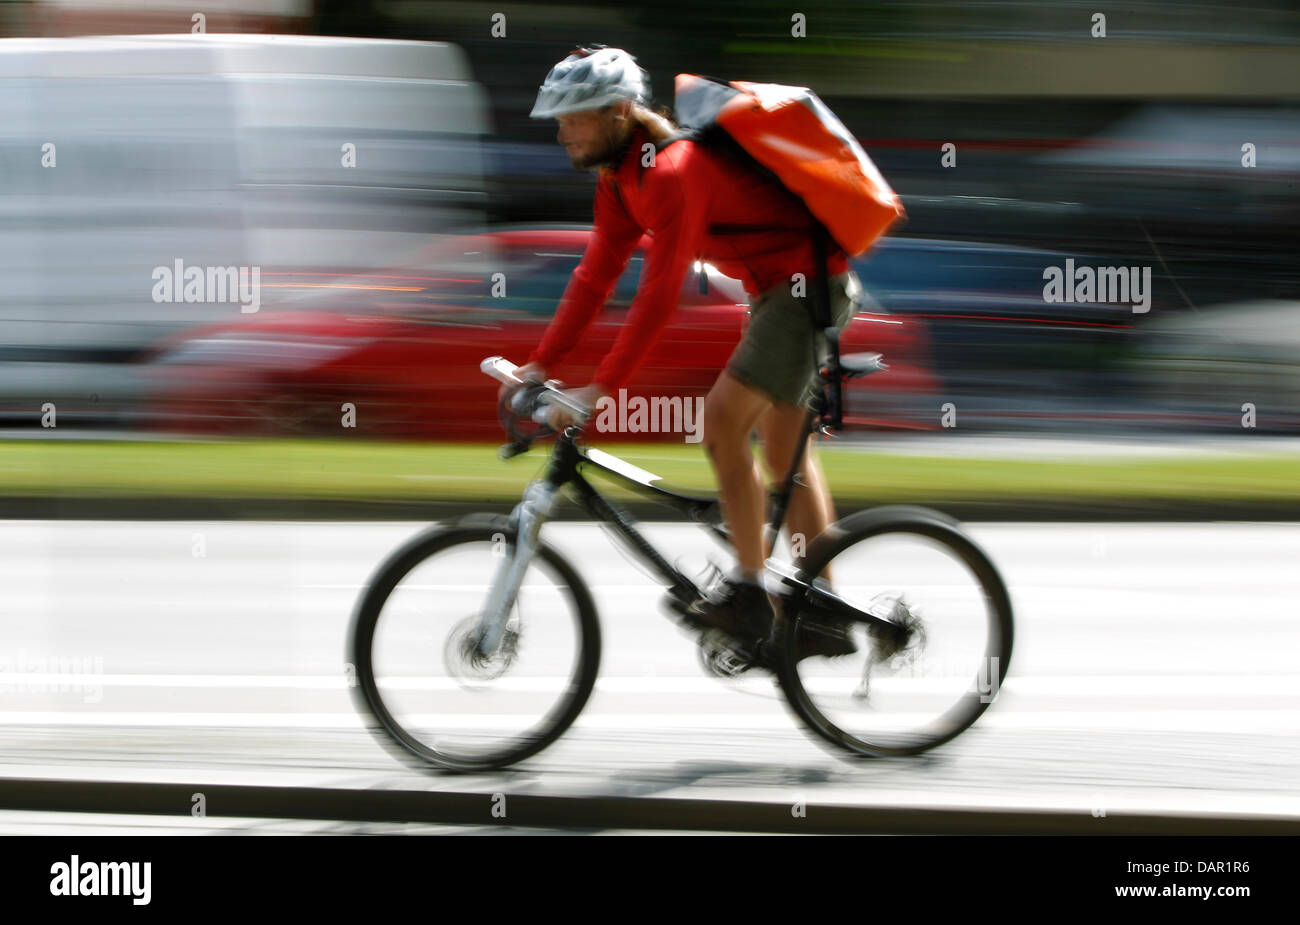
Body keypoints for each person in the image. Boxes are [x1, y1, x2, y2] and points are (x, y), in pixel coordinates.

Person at [507, 45, 859, 658]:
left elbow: (658, 297)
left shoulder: (673, 171)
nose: (560, 131)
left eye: (573, 116)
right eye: (557, 118)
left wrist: (598, 390)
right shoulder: (620, 180)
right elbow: (594, 278)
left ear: (618, 112)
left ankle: (751, 593)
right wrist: (540, 363)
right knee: (782, 452)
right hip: (777, 291)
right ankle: (824, 612)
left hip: (808, 288)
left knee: (721, 423)